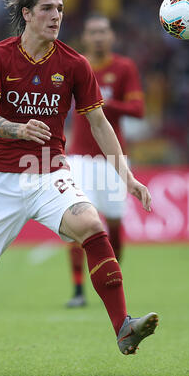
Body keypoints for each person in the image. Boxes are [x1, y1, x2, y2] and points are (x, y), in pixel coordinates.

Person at [0, 0, 158, 374]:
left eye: (60, 8)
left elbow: (99, 124)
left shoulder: (74, 63)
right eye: (47, 8)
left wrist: (126, 176)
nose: (56, 15)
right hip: (1, 177)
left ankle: (123, 326)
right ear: (27, 14)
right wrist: (17, 128)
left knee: (93, 225)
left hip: (49, 172)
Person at [66, 15, 145, 307]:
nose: (98, 37)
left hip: (112, 158)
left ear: (111, 36)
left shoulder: (124, 67)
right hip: (79, 158)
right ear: (85, 38)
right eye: (92, 32)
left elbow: (138, 109)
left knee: (113, 223)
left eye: (103, 31)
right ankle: (77, 290)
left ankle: (112, 280)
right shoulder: (77, 65)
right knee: (78, 223)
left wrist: (102, 104)